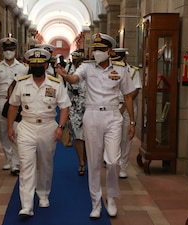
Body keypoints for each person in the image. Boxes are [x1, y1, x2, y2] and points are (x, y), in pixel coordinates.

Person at [56, 33, 136, 219]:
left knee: (113, 161)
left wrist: (132, 121)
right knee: (93, 161)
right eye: (95, 49)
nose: (97, 53)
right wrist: (66, 76)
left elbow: (128, 96)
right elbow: (75, 79)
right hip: (92, 115)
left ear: (109, 51)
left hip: (113, 116)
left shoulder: (121, 70)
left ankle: (112, 198)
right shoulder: (87, 67)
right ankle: (95, 203)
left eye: (101, 50)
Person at [7, 48, 71, 217]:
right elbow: (13, 106)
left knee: (45, 163)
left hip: (48, 127)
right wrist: (9, 127)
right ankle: (26, 205)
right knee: (26, 165)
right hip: (26, 126)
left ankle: (43, 194)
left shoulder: (55, 84)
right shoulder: (21, 83)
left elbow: (65, 107)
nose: (36, 66)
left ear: (45, 65)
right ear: (29, 65)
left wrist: (61, 127)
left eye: (39, 64)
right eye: (33, 64)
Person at [0, 36, 28, 176]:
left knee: (15, 131)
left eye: (11, 49)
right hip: (1, 101)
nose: (8, 52)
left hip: (16, 103)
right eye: (6, 50)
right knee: (3, 131)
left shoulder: (23, 68)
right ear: (3, 51)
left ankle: (16, 161)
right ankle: (9, 159)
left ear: (15, 50)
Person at [112, 48, 142, 179]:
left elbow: (134, 91)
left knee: (126, 137)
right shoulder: (109, 71)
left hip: (127, 107)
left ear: (124, 58)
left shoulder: (133, 71)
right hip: (112, 106)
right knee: (113, 136)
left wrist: (124, 106)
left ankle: (123, 165)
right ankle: (114, 161)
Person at [65, 54, 86, 176]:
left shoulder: (93, 79)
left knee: (88, 138)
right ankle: (81, 162)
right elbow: (68, 94)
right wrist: (67, 112)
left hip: (90, 110)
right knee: (78, 137)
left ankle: (86, 158)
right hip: (75, 110)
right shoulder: (72, 78)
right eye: (79, 66)